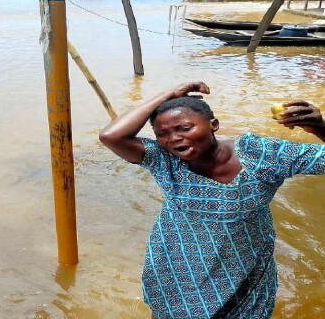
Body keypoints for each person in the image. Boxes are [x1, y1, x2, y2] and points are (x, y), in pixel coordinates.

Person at [99, 82, 325, 318]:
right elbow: (111, 136)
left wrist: (320, 127)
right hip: (179, 267)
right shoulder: (164, 160)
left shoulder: (262, 155)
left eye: (184, 127)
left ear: (214, 125)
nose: (174, 139)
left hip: (244, 269)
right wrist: (168, 94)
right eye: (162, 134)